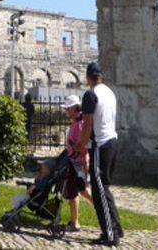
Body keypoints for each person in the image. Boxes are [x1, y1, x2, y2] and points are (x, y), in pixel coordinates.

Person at [78, 62, 123, 247]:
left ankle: (110, 233)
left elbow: (87, 124)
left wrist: (82, 145)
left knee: (98, 191)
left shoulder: (91, 95)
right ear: (100, 76)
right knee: (104, 187)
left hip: (100, 145)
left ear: (88, 78)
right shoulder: (109, 92)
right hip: (112, 141)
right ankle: (116, 227)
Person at [62, 93, 93, 232]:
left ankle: (75, 223)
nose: (66, 111)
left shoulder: (80, 123)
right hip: (75, 162)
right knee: (81, 190)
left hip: (78, 163)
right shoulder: (77, 120)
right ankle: (75, 221)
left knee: (79, 191)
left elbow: (83, 143)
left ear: (74, 108)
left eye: (68, 108)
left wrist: (75, 148)